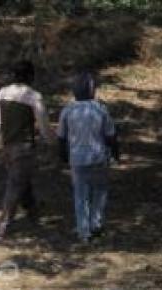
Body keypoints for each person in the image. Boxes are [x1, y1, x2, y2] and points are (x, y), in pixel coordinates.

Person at [0, 59, 52, 241]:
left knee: (20, 181)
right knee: (15, 184)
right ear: (31, 76)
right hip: (24, 147)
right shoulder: (34, 97)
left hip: (6, 147)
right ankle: (4, 225)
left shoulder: (2, 93)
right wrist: (55, 141)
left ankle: (33, 213)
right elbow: (43, 127)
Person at [57, 71, 119, 243]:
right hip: (99, 158)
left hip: (77, 160)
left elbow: (61, 137)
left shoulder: (67, 111)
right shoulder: (100, 109)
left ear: (74, 91)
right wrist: (116, 153)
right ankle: (96, 224)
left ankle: (84, 232)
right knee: (99, 192)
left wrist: (62, 156)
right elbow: (111, 135)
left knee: (80, 195)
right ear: (93, 90)